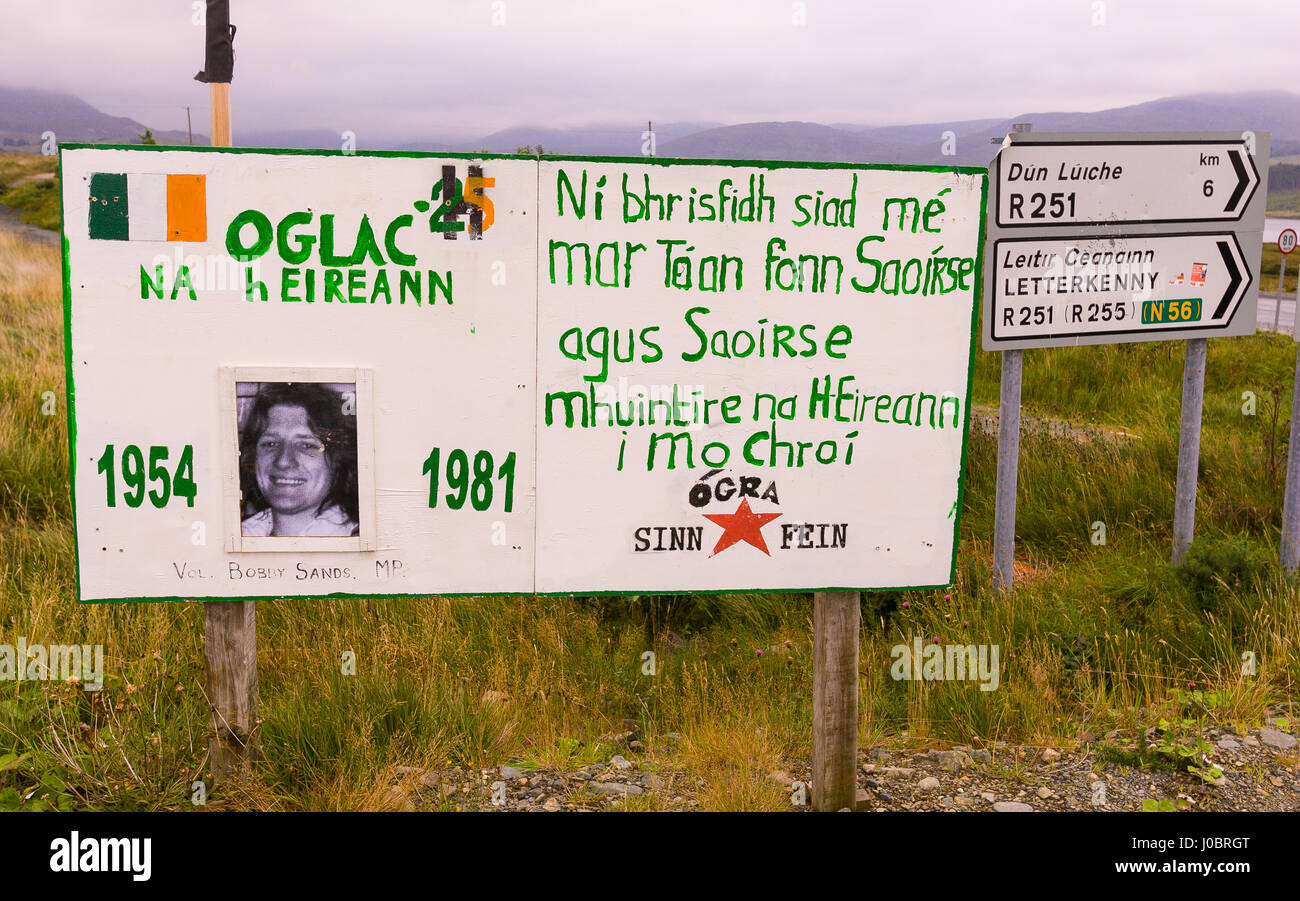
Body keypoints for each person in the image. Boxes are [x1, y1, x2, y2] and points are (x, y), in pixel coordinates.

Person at [239, 382, 360, 537]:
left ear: (339, 460)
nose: (283, 461)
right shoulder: (238, 535)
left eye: (306, 445)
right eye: (271, 444)